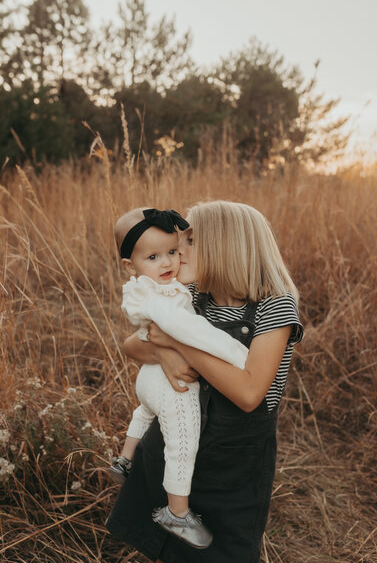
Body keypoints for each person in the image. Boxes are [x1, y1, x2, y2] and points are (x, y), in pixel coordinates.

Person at [106, 200, 303, 563]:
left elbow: (248, 393)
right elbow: (132, 345)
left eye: (191, 240)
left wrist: (176, 342)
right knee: (167, 548)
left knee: (220, 553)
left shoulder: (275, 307)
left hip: (232, 464)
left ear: (225, 247)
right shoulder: (196, 297)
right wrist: (164, 351)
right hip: (173, 448)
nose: (179, 250)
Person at [110, 207, 249, 549]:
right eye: (154, 256)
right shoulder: (162, 299)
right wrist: (239, 356)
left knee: (145, 412)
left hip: (150, 376)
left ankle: (125, 458)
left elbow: (143, 342)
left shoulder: (154, 288)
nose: (168, 262)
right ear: (131, 266)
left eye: (172, 251)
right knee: (183, 439)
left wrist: (162, 352)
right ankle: (177, 511)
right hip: (168, 383)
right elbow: (194, 331)